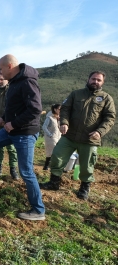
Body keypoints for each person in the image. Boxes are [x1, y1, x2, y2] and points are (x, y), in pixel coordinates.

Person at [40, 71, 115, 200]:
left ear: (102, 82)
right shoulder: (76, 94)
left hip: (89, 139)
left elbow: (110, 118)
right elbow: (65, 109)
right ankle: (54, 183)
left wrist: (100, 131)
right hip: (70, 136)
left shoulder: (106, 98)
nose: (95, 82)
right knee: (57, 157)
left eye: (98, 80)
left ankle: (84, 189)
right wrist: (64, 122)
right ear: (88, 79)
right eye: (93, 79)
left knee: (87, 165)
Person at [0, 54, 45, 221]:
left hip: (24, 133)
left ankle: (38, 210)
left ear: (9, 66)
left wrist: (14, 123)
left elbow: (35, 110)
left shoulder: (28, 81)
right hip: (11, 130)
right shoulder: (15, 82)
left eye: (0, 68)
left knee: (26, 171)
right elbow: (14, 106)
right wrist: (3, 118)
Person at [42, 104, 61, 170]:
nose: (60, 110)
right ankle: (55, 167)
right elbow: (44, 127)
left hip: (58, 137)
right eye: (59, 109)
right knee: (54, 152)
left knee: (50, 153)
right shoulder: (49, 118)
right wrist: (50, 135)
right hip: (51, 138)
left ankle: (46, 167)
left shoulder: (57, 118)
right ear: (55, 109)